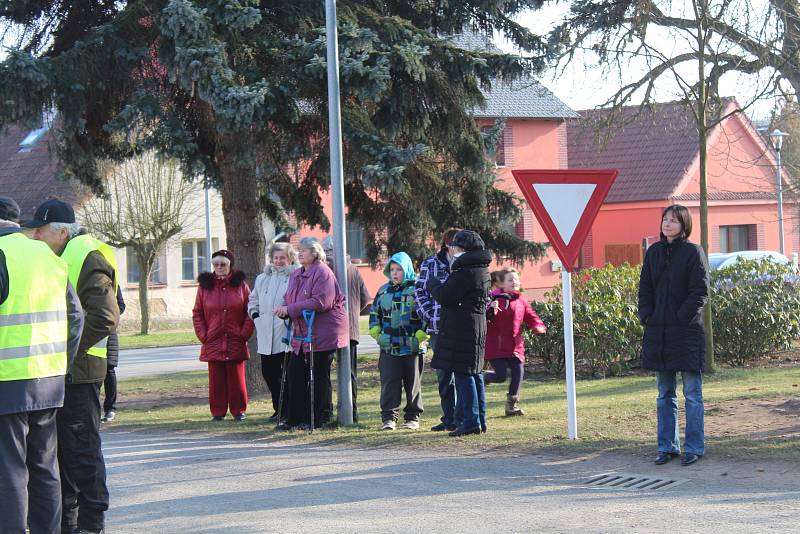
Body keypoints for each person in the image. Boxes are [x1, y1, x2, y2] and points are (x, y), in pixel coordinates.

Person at [25, 198, 120, 534]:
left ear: (62, 232)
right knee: (62, 457)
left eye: (41, 231)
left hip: (78, 373)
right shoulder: (62, 256)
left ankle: (92, 525)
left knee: (82, 454)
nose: (35, 237)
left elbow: (107, 314)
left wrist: (65, 352)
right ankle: (71, 526)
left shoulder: (86, 254)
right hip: (65, 373)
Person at [0, 197, 84, 534]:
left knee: (10, 470)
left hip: (7, 382)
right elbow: (75, 317)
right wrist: (61, 362)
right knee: (45, 468)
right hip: (48, 381)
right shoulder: (47, 257)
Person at [638, 205, 709, 467]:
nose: (667, 224)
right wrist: (647, 314)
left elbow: (700, 291)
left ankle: (694, 447)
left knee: (692, 394)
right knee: (664, 393)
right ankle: (667, 447)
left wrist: (681, 317)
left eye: (673, 220)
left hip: (687, 332)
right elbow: (645, 287)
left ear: (684, 225)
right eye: (665, 219)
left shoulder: (693, 252)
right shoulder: (654, 252)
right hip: (659, 333)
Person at [274, 237, 348, 430]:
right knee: (295, 373)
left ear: (314, 253)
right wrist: (283, 308)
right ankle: (294, 419)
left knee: (318, 376)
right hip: (301, 333)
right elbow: (288, 297)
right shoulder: (297, 274)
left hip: (323, 333)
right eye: (299, 250)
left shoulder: (323, 272)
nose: (300, 253)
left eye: (304, 250)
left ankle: (315, 418)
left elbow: (321, 302)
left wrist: (290, 309)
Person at [426, 230, 492, 437]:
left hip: (462, 328)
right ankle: (479, 419)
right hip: (474, 326)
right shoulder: (480, 269)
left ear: (463, 249)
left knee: (464, 375)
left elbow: (446, 296)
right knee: (475, 374)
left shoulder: (466, 272)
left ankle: (471, 421)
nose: (451, 250)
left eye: (454, 247)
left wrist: (433, 284)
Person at [192, 249, 254, 422]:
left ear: (230, 265)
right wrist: (203, 335)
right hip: (212, 339)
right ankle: (218, 412)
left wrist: (244, 334)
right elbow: (197, 313)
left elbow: (250, 310)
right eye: (216, 264)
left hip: (235, 338)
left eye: (223, 264)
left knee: (237, 378)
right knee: (216, 380)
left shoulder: (241, 286)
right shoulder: (205, 287)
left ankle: (238, 410)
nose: (219, 267)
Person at [369, 252, 426, 430]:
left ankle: (412, 417)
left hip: (412, 346)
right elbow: (374, 314)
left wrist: (421, 336)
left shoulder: (418, 289)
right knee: (389, 381)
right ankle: (389, 418)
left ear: (407, 269)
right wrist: (377, 333)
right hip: (389, 346)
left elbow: (426, 314)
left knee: (412, 383)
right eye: (392, 269)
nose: (395, 273)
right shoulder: (383, 290)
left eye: (399, 269)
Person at [414, 227, 462, 432]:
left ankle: (463, 417)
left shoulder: (465, 265)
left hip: (460, 326)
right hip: (437, 327)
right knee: (444, 373)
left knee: (461, 373)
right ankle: (448, 417)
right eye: (457, 245)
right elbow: (420, 291)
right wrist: (428, 314)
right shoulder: (431, 264)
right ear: (448, 245)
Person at [321, 236, 371, 423]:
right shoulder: (353, 268)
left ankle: (326, 412)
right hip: (350, 327)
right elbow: (365, 297)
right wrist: (354, 312)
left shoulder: (324, 269)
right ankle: (352, 413)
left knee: (323, 372)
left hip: (328, 329)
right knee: (350, 374)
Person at [484, 268, 546, 416]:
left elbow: (531, 316)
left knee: (518, 373)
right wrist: (490, 310)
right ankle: (481, 377)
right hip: (496, 346)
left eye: (516, 279)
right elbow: (484, 317)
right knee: (500, 376)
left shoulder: (521, 301)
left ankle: (511, 407)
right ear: (501, 284)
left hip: (515, 346)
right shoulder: (493, 298)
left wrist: (538, 325)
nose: (515, 282)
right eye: (510, 280)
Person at [248, 242, 298, 423]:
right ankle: (278, 408)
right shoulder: (262, 278)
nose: (278, 261)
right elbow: (253, 300)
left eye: (282, 258)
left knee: (285, 375)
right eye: (276, 258)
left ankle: (287, 410)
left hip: (285, 331)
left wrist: (287, 311)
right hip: (264, 331)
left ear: (290, 259)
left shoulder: (295, 277)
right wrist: (255, 315)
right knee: (268, 373)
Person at [101, 287, 125, 423]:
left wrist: (109, 316)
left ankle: (110, 408)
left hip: (109, 332)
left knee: (109, 370)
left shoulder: (113, 284)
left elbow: (121, 305)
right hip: (90, 331)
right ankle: (94, 409)